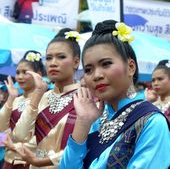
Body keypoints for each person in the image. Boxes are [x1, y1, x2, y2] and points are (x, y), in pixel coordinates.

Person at [58, 20, 170, 169]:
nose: (96, 75)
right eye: (89, 70)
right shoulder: (95, 119)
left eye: (106, 64)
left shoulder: (151, 122)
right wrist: (82, 122)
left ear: (130, 67)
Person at [12, 28, 81, 169]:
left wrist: (42, 161)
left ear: (76, 62)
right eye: (49, 58)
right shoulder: (42, 96)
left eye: (61, 57)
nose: (53, 63)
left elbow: (84, 146)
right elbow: (20, 136)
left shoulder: (87, 98)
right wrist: (37, 93)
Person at [0, 50, 46, 169]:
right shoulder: (16, 99)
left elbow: (41, 137)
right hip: (8, 160)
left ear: (38, 74)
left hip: (29, 162)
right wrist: (11, 98)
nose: (19, 77)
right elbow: (1, 128)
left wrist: (14, 145)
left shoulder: (44, 100)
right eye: (18, 72)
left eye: (25, 72)